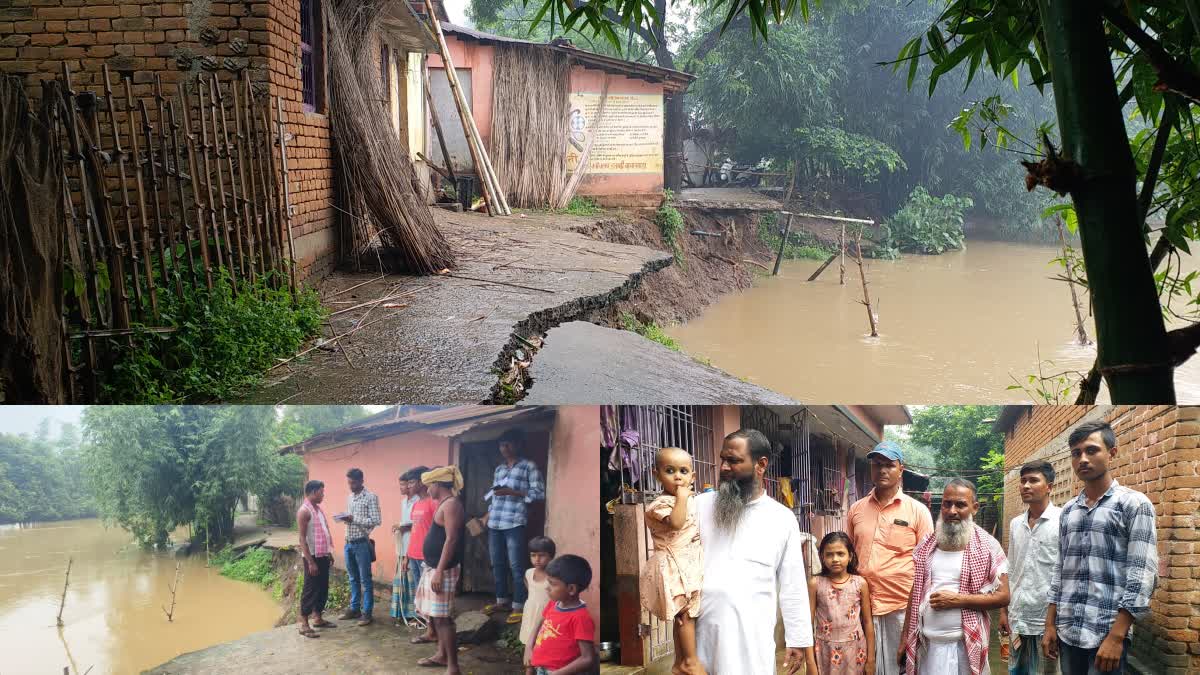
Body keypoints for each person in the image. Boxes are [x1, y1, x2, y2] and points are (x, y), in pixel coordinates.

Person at [694, 429, 816, 675]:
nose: (724, 468)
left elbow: (792, 584)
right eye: (723, 459)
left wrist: (798, 639)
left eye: (734, 461)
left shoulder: (781, 518)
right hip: (701, 637)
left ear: (761, 465)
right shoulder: (698, 506)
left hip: (752, 641)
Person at [1043, 421, 1158, 675]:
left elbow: (1142, 575)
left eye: (1091, 450)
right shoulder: (1069, 511)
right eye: (1076, 453)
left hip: (1106, 634)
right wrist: (1050, 624)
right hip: (1068, 631)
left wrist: (1117, 637)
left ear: (1112, 453)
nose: (1082, 459)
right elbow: (1060, 569)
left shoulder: (1134, 505)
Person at [899, 479, 1009, 675]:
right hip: (927, 646)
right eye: (947, 503)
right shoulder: (927, 544)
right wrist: (904, 638)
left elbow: (1003, 596)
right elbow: (915, 593)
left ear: (974, 508)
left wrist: (958, 600)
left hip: (966, 647)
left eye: (960, 504)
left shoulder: (988, 546)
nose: (951, 511)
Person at [845, 441, 934, 675]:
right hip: (863, 606)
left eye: (889, 465)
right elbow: (848, 556)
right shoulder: (856, 509)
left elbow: (927, 564)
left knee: (901, 666)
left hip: (901, 608)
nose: (882, 470)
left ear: (900, 470)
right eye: (877, 465)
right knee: (865, 667)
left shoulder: (917, 511)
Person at [640, 447, 704, 675]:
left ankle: (679, 662)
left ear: (693, 477)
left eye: (684, 471)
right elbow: (676, 523)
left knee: (684, 614)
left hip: (688, 565)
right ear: (656, 474)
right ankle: (690, 661)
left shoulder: (690, 501)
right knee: (685, 614)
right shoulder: (659, 505)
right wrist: (682, 497)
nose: (678, 476)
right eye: (670, 470)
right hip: (673, 565)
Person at [1000, 460, 1061, 675]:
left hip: (1046, 621)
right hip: (1018, 617)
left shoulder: (1062, 521)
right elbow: (1011, 568)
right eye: (1023, 481)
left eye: (1033, 480)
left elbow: (1062, 575)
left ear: (1049, 487)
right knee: (1016, 670)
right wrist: (1003, 611)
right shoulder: (1016, 523)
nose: (1026, 486)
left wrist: (1051, 625)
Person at [483, 429, 546, 625]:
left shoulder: (529, 466)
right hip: (495, 522)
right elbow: (495, 495)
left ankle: (518, 605)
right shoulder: (499, 469)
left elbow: (539, 493)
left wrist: (515, 492)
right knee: (497, 563)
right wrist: (487, 514)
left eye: (508, 444)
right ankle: (502, 601)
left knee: (516, 565)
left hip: (514, 522)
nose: (505, 448)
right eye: (502, 445)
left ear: (518, 444)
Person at [415, 465, 467, 674]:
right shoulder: (444, 504)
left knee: (443, 618)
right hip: (435, 567)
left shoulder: (452, 505)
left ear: (437, 484)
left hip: (442, 570)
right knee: (436, 616)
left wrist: (439, 570)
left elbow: (452, 539)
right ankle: (441, 655)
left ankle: (453, 666)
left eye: (429, 486)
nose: (427, 490)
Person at [808, 532, 874, 674]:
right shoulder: (816, 584)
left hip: (855, 649)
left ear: (850, 556)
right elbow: (808, 623)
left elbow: (868, 622)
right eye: (829, 554)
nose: (835, 559)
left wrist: (871, 659)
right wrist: (810, 662)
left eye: (840, 554)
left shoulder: (860, 583)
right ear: (822, 557)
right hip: (825, 650)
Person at [525, 554, 599, 675]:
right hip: (540, 668)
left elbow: (587, 658)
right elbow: (539, 622)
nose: (547, 588)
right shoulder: (553, 604)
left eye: (552, 584)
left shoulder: (580, 618)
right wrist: (529, 647)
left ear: (571, 589)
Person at [296, 479, 336, 638]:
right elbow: (302, 539)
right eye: (321, 492)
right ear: (313, 492)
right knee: (310, 588)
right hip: (311, 556)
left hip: (322, 555)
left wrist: (329, 552)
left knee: (322, 587)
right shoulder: (304, 511)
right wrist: (310, 562)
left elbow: (323, 532)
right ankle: (304, 624)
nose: (323, 495)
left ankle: (318, 618)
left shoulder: (317, 510)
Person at [403, 466, 437, 644]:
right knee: (420, 594)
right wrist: (407, 556)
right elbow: (415, 530)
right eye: (407, 482)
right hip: (414, 554)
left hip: (427, 557)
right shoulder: (416, 504)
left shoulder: (434, 503)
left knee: (429, 595)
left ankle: (433, 631)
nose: (409, 486)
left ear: (422, 482)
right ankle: (429, 629)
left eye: (412, 482)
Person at [391, 470, 425, 628]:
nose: (402, 487)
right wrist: (399, 526)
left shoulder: (419, 500)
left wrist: (404, 526)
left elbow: (417, 524)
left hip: (414, 545)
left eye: (404, 484)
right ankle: (402, 611)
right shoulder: (404, 502)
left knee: (414, 581)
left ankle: (416, 614)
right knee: (403, 578)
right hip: (403, 544)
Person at [520, 536, 556, 649]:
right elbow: (529, 588)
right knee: (528, 643)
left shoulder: (554, 578)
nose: (537, 559)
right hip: (530, 613)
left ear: (551, 556)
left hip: (546, 616)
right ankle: (528, 666)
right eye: (533, 555)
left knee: (543, 645)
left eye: (542, 555)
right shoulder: (528, 573)